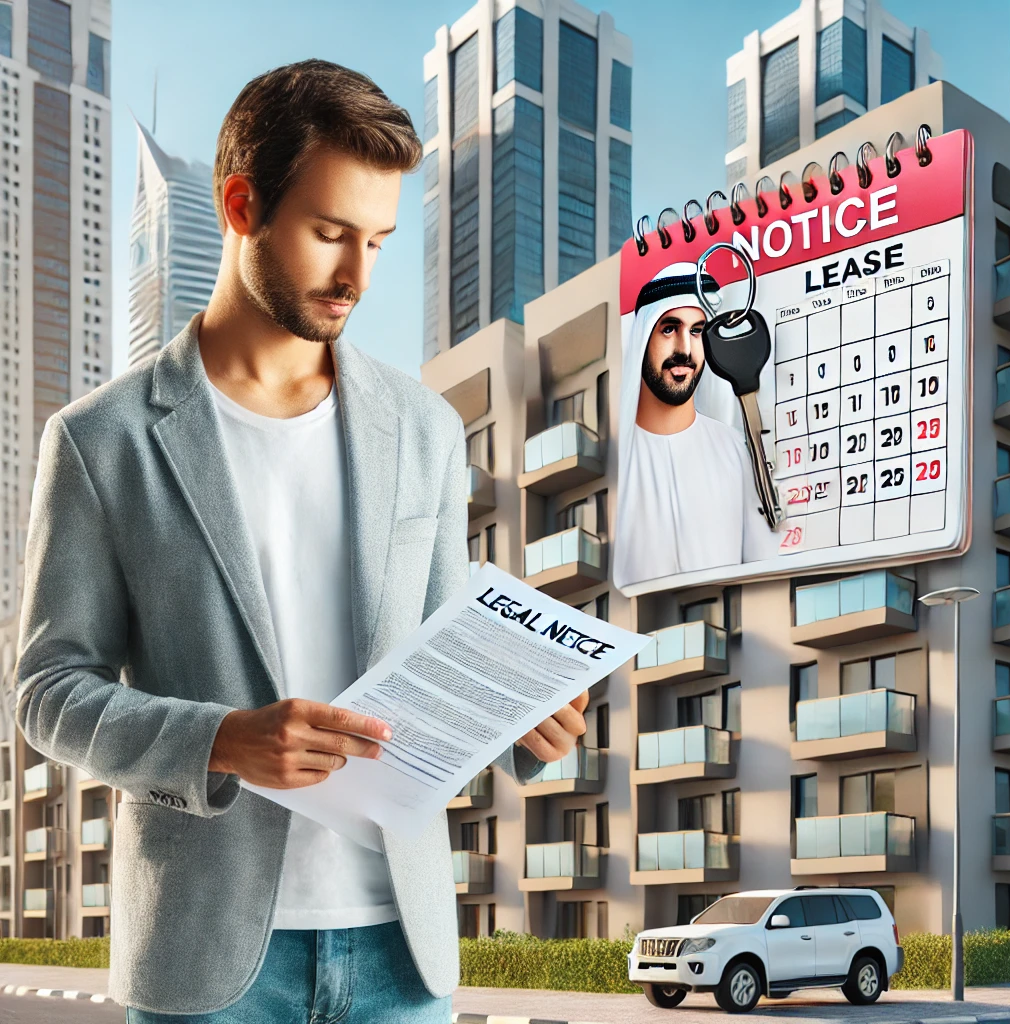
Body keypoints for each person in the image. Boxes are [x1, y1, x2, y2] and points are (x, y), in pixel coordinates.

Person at [13, 60, 587, 1023]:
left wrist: (522, 725)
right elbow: (47, 692)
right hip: (208, 961)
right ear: (242, 205)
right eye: (329, 235)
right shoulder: (99, 440)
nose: (357, 275)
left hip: (404, 959)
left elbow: (447, 652)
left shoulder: (425, 428)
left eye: (377, 240)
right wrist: (222, 741)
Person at [613, 261, 779, 590]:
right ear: (644, 336)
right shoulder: (616, 460)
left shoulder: (733, 449)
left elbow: (764, 567)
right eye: (669, 328)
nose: (684, 351)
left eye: (697, 331)